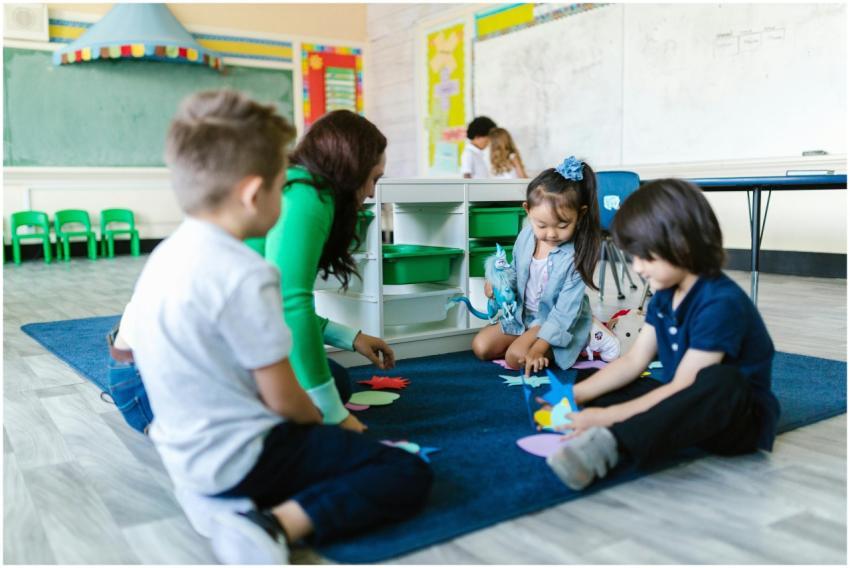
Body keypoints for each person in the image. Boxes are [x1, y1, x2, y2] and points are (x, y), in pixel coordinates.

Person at [123, 91, 432, 564]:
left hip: (186, 455)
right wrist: (334, 423)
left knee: (332, 389)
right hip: (241, 460)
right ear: (254, 194)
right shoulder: (247, 274)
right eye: (282, 183)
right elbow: (286, 400)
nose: (290, 192)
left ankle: (215, 498)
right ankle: (269, 525)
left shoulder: (167, 254)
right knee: (402, 470)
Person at [546, 179, 780, 491]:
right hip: (682, 405)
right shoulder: (664, 295)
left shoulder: (720, 302)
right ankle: (636, 424)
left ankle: (612, 443)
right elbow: (633, 361)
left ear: (682, 244)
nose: (638, 268)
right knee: (597, 385)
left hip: (732, 421)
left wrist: (608, 418)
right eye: (633, 256)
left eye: (647, 257)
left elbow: (686, 385)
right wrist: (573, 397)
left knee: (723, 382)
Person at [265, 109, 396, 433]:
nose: (371, 193)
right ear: (351, 167)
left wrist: (351, 337)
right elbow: (288, 304)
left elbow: (277, 301)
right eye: (374, 178)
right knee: (320, 395)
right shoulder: (306, 195)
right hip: (157, 378)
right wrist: (336, 416)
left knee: (334, 381)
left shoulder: (303, 188)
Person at [471, 156, 603, 377]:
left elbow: (563, 313)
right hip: (523, 317)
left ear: (579, 215)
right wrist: (495, 281)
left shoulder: (575, 256)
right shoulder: (526, 236)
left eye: (562, 225)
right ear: (527, 211)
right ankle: (527, 341)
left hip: (552, 320)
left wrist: (541, 347)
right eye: (541, 224)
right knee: (481, 347)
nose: (550, 233)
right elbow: (514, 271)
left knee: (515, 359)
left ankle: (577, 340)